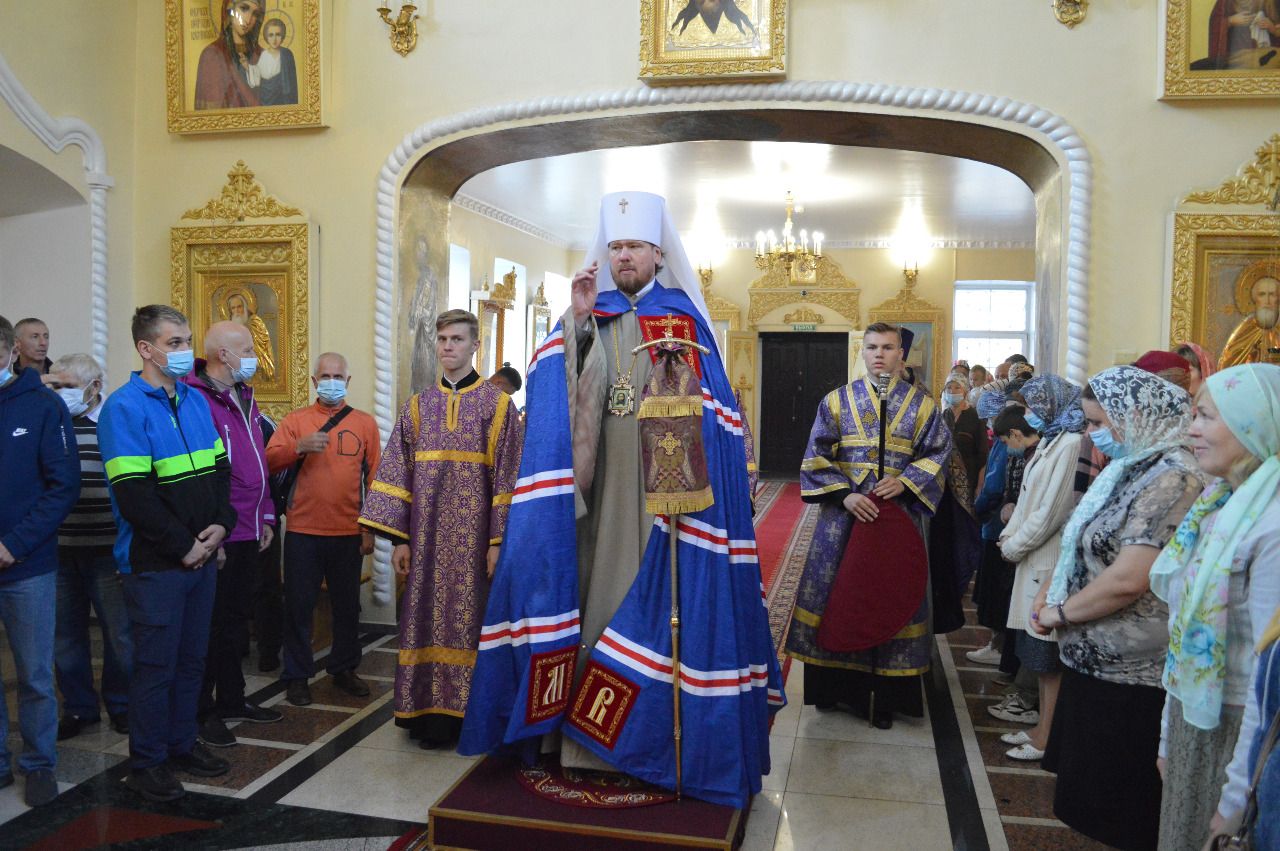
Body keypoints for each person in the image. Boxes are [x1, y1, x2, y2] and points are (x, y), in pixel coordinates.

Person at [461, 191, 779, 809]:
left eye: (635, 246)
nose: (624, 256)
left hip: (666, 501)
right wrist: (578, 324)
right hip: (596, 485)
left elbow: (718, 418)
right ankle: (578, 743)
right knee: (589, 594)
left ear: (659, 253)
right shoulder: (591, 313)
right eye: (616, 247)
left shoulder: (684, 318)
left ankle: (648, 742)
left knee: (653, 600)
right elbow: (551, 400)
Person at [1033, 366, 1204, 851]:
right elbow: (1084, 537)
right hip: (1095, 659)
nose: (1092, 434)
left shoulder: (1174, 477)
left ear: (1136, 416)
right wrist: (1050, 592)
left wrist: (1061, 613)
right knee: (1093, 804)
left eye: (1098, 422)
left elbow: (1130, 578)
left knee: (1124, 811)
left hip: (1132, 670)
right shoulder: (1132, 465)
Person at [359, 310, 523, 749]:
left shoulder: (498, 407)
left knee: (470, 622)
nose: (448, 346)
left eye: (457, 339)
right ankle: (426, 715)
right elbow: (398, 472)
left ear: (475, 346)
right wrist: (400, 539)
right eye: (443, 339)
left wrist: (497, 541)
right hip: (425, 540)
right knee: (423, 619)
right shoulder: (418, 406)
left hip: (474, 543)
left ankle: (470, 716)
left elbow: (508, 478)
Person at [98, 305, 238, 801]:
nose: (184, 351)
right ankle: (148, 762)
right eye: (174, 343)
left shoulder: (194, 400)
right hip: (156, 563)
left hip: (202, 556)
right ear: (146, 348)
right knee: (156, 668)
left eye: (186, 341)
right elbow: (134, 495)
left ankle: (181, 743)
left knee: (192, 660)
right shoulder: (123, 408)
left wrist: (221, 526)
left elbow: (220, 470)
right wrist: (185, 547)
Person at [786, 321, 953, 729]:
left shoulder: (923, 406)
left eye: (888, 347)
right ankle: (836, 690)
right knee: (839, 593)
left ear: (901, 354)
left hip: (896, 520)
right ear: (862, 352)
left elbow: (938, 453)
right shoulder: (836, 401)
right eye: (873, 347)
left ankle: (887, 696)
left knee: (889, 594)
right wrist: (845, 495)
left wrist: (907, 480)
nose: (880, 354)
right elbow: (815, 455)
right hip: (843, 521)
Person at [1150, 363, 1280, 851]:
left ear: (1253, 423)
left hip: (1238, 734)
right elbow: (1183, 632)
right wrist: (1169, 737)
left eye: (1206, 416)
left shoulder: (1271, 525)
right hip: (1195, 716)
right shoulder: (1219, 505)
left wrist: (1237, 795)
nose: (1192, 430)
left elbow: (1269, 677)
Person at [181, 321, 282, 748]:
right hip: (220, 530)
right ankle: (202, 711)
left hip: (250, 527)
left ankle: (233, 699)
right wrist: (215, 534)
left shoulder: (244, 395)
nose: (255, 355)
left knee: (236, 622)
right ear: (223, 354)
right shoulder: (195, 399)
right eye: (248, 348)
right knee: (211, 626)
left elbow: (258, 463)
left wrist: (267, 515)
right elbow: (202, 475)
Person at [266, 352, 380, 707]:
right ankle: (297, 675)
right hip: (303, 532)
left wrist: (369, 530)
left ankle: (344, 669)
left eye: (337, 376)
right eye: (325, 376)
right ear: (315, 382)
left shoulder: (365, 423)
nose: (331, 382)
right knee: (298, 608)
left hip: (348, 532)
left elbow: (375, 480)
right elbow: (267, 461)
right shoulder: (295, 421)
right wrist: (298, 447)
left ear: (347, 382)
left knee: (347, 608)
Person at [0, 315, 79, 806]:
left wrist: (14, 544)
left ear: (9, 352)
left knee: (33, 674)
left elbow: (62, 487)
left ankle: (38, 764)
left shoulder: (43, 405)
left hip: (25, 565)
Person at [995, 376, 1085, 761]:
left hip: (1046, 557)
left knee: (1049, 662)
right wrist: (1008, 537)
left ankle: (1047, 736)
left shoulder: (1071, 443)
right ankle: (1040, 728)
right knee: (1039, 659)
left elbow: (1052, 512)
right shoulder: (1051, 440)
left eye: (1033, 406)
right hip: (1032, 556)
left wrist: (1014, 545)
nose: (1029, 414)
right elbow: (1026, 500)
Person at [45, 354, 132, 741]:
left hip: (107, 548)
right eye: (56, 386)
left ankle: (122, 705)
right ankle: (79, 707)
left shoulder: (113, 423)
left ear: (94, 387)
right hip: (60, 549)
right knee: (65, 636)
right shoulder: (52, 425)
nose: (60, 394)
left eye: (67, 386)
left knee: (119, 634)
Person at [194, 0, 263, 110]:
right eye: (244, 8)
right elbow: (210, 112)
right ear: (230, 9)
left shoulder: (262, 55)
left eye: (255, 14)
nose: (248, 20)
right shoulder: (212, 55)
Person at [1220, 270, 1280, 369]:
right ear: (1254, 298)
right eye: (1262, 294)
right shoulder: (1246, 329)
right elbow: (1230, 364)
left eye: (1272, 294)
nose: (1267, 300)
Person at [941, 372, 988, 496]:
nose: (952, 391)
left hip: (969, 478)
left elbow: (983, 455)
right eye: (949, 387)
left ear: (965, 391)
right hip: (945, 480)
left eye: (957, 387)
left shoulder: (975, 417)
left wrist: (980, 485)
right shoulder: (944, 415)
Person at [223, 289, 277, 382]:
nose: (236, 311)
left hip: (256, 365)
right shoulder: (229, 327)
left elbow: (261, 349)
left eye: (239, 307)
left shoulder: (255, 322)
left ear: (245, 307)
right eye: (233, 308)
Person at [255, 17, 298, 106]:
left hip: (284, 100)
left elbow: (292, 83)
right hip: (264, 100)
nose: (274, 39)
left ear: (282, 36)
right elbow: (257, 79)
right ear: (266, 37)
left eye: (278, 35)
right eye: (271, 35)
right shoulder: (263, 55)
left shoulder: (287, 54)